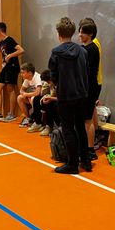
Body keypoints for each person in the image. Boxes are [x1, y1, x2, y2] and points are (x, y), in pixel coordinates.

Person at [48, 17, 90, 174]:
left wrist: (58, 86)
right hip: (81, 94)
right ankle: (86, 161)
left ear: (59, 34)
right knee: (80, 127)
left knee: (67, 129)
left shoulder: (56, 53)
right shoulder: (83, 51)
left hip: (66, 95)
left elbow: (53, 76)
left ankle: (72, 164)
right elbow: (86, 72)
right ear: (72, 33)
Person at [0, 22, 24, 122]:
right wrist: (3, 62)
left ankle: (12, 113)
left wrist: (10, 55)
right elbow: (4, 56)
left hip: (12, 67)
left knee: (10, 89)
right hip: (5, 67)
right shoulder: (0, 43)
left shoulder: (10, 40)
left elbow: (21, 50)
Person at [78, 20, 101, 160]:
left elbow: (88, 72)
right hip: (88, 86)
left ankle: (90, 149)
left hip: (90, 87)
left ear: (91, 34)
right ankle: (88, 145)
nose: (80, 35)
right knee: (89, 116)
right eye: (79, 32)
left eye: (83, 33)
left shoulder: (91, 49)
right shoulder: (85, 48)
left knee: (87, 120)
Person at [16, 63, 42, 128]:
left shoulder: (37, 78)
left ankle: (37, 119)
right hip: (33, 98)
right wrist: (27, 95)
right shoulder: (27, 79)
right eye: (21, 73)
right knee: (20, 97)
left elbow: (38, 93)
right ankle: (28, 118)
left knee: (33, 98)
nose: (21, 74)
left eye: (23, 73)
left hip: (41, 99)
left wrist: (27, 95)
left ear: (30, 73)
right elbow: (21, 90)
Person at [39, 72, 59, 137]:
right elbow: (52, 94)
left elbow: (63, 98)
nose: (48, 83)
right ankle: (49, 126)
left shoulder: (60, 83)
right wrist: (48, 97)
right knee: (45, 101)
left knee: (54, 105)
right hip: (58, 100)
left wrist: (51, 98)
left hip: (65, 102)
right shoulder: (52, 84)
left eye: (48, 81)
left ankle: (59, 127)